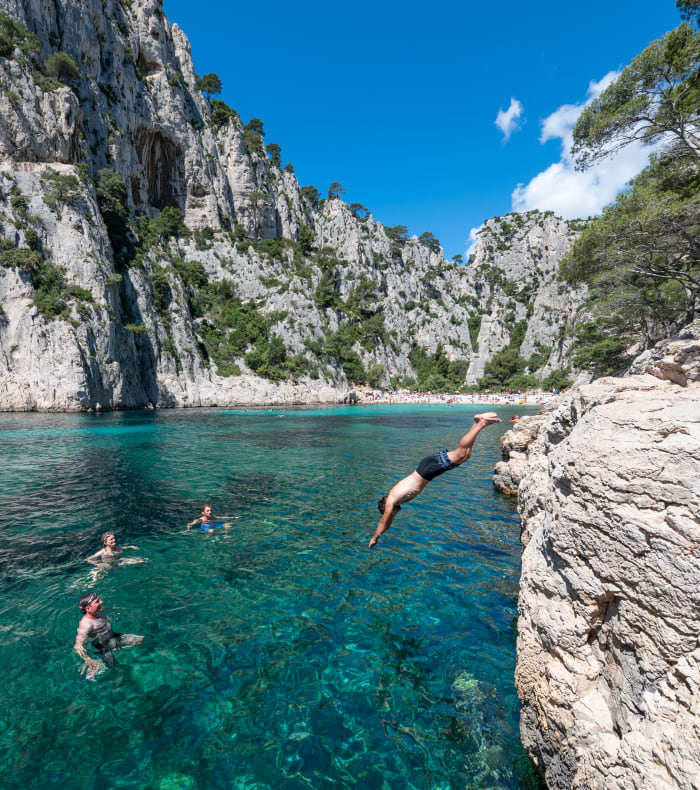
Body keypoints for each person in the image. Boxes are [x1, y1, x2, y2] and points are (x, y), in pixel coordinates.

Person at [370, 412, 502, 548]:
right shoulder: (396, 500)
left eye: (390, 513)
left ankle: (481, 423)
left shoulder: (391, 500)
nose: (393, 514)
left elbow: (383, 522)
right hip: (427, 469)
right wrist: (382, 532)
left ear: (386, 507)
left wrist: (375, 538)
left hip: (427, 470)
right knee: (465, 456)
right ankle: (476, 423)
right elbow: (389, 521)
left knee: (460, 453)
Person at [73, 592, 143, 679]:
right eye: (97, 601)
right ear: (88, 608)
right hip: (102, 647)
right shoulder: (86, 625)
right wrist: (89, 660)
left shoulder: (98, 612)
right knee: (116, 669)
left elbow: (110, 609)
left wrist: (121, 610)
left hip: (113, 636)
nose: (101, 602)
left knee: (140, 640)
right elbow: (77, 647)